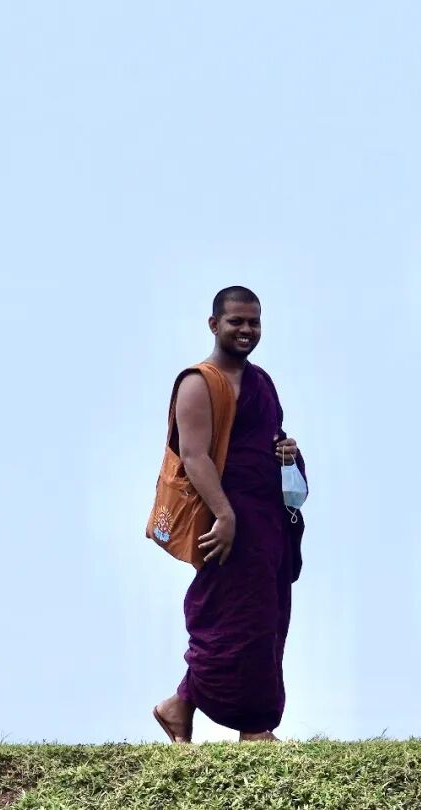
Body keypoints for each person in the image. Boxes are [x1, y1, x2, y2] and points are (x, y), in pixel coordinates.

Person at [152, 286, 306, 743]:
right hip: (226, 520)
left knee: (268, 618)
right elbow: (194, 456)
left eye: (253, 322)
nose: (246, 330)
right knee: (234, 620)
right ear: (214, 324)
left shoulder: (262, 382)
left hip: (266, 519)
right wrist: (225, 516)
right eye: (236, 321)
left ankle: (179, 706)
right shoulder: (198, 382)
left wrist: (287, 451)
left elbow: (268, 436)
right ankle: (254, 726)